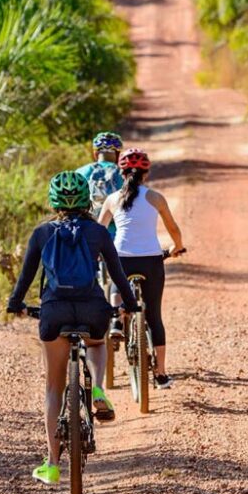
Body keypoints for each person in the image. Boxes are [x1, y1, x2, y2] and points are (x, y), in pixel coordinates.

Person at [6, 170, 140, 485]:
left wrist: (16, 304)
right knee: (96, 343)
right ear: (84, 200)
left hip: (53, 312)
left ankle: (52, 463)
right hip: (93, 309)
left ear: (54, 201)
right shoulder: (98, 233)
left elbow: (25, 277)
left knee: (54, 388)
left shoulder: (41, 233)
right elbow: (118, 275)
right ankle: (96, 388)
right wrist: (129, 305)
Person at [98, 148, 185, 390]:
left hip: (122, 259)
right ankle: (161, 374)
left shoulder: (112, 199)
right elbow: (174, 229)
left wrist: (98, 253)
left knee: (117, 277)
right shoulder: (156, 198)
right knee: (154, 315)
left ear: (121, 173)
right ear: (146, 173)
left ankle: (116, 318)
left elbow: (99, 230)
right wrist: (177, 247)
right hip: (151, 261)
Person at [76, 131, 125, 227]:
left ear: (95, 153)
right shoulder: (124, 173)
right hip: (117, 231)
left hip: (88, 229)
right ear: (118, 154)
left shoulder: (80, 172)